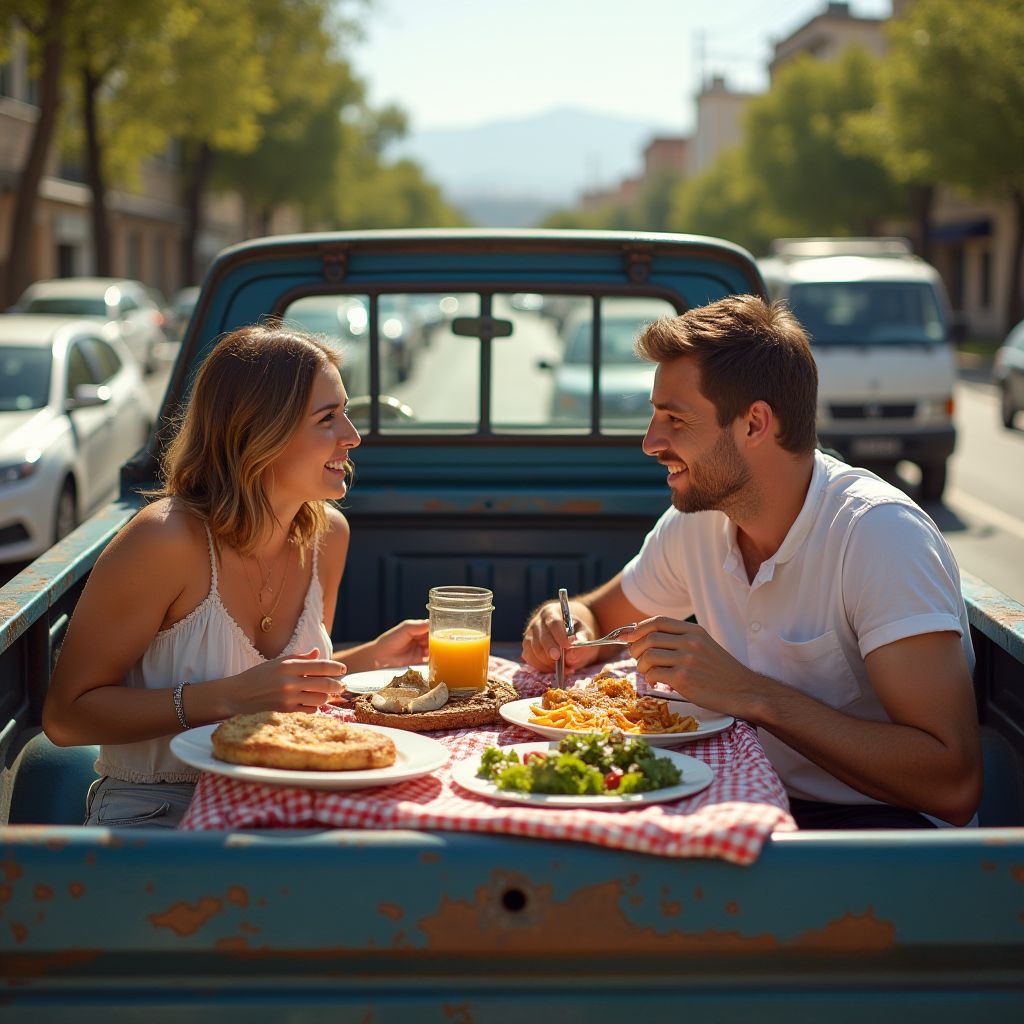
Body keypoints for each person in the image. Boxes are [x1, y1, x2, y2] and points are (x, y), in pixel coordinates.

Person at [522, 295, 982, 829]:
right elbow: (601, 614)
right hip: (757, 801)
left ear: (755, 423)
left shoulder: (878, 535)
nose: (651, 442)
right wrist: (568, 625)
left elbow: (954, 784)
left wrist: (748, 692)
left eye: (675, 419)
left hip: (889, 839)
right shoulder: (701, 520)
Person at [43, 322, 428, 828]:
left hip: (287, 798)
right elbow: (66, 717)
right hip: (159, 809)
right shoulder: (164, 541)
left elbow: (288, 688)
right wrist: (224, 698)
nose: (352, 437)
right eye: (327, 418)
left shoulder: (328, 535)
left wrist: (373, 657)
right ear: (259, 434)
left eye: (347, 414)